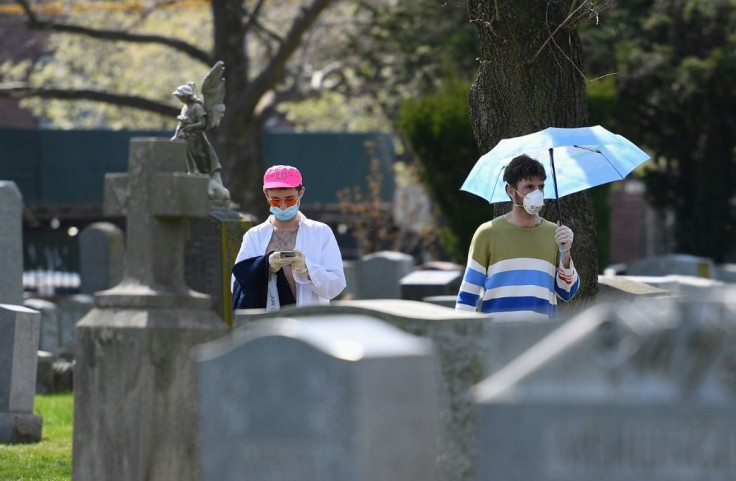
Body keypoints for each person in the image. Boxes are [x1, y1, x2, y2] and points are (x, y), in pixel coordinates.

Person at [455, 154, 579, 319]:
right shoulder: (487, 234)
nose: (537, 193)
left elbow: (567, 292)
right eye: (529, 187)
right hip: (497, 337)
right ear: (510, 191)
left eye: (540, 187)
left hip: (542, 337)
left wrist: (566, 252)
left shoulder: (555, 233)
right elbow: (468, 295)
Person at [231, 165, 346, 310]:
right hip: (268, 322)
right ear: (266, 194)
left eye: (289, 200)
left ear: (301, 192)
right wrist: (264, 266)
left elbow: (336, 285)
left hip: (309, 322)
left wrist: (309, 270)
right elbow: (237, 283)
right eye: (275, 201)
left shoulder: (321, 232)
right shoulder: (254, 236)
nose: (283, 206)